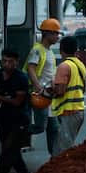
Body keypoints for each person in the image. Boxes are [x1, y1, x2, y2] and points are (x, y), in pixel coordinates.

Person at [0, 49, 32, 173]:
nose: (6, 64)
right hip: (4, 119)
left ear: (16, 63)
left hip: (19, 120)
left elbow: (17, 101)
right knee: (13, 153)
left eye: (10, 61)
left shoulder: (21, 78)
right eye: (4, 61)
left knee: (7, 152)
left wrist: (0, 99)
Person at [26, 18, 61, 153]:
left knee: (54, 127)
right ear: (47, 34)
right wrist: (38, 87)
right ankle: (17, 131)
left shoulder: (50, 52)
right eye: (55, 33)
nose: (57, 37)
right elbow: (30, 68)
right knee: (41, 127)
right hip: (40, 95)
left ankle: (54, 157)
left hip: (49, 95)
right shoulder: (37, 49)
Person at [49, 35, 86, 157]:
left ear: (61, 50)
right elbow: (83, 88)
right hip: (79, 111)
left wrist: (51, 87)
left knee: (61, 152)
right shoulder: (80, 65)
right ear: (76, 50)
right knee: (65, 145)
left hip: (68, 112)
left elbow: (60, 91)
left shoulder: (64, 66)